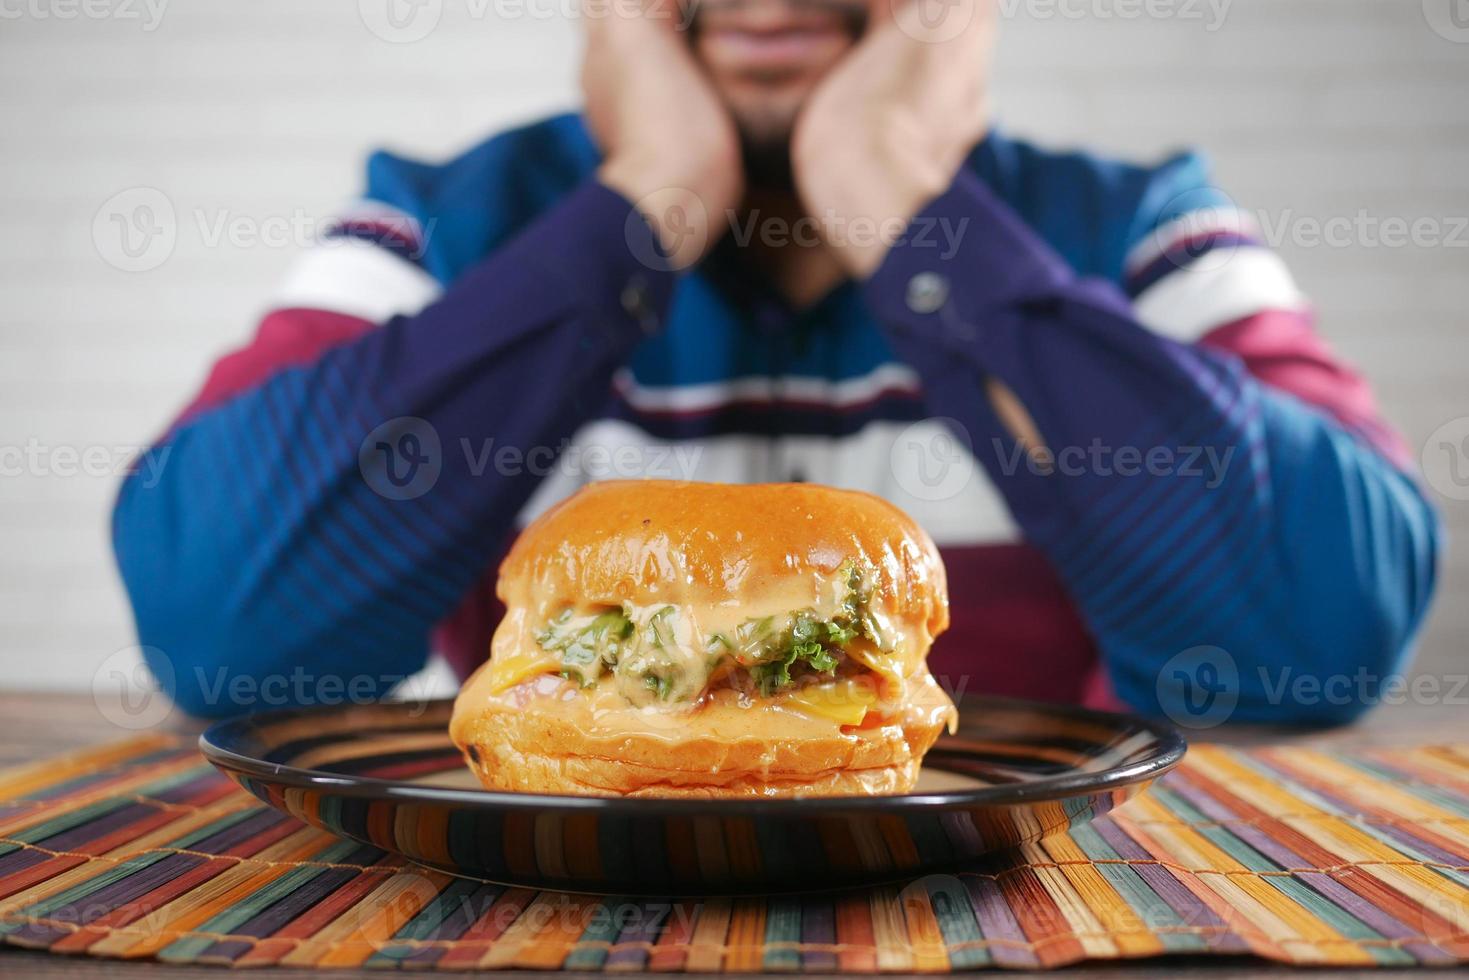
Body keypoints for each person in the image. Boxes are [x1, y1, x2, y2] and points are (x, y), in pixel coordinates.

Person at [112, 0, 1440, 724]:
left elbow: (1318, 637)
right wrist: (646, 203)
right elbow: (226, 636)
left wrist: (901, 208)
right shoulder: (437, 216)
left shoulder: (1142, 223)